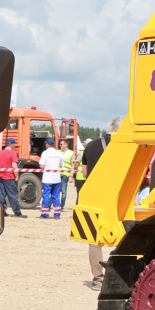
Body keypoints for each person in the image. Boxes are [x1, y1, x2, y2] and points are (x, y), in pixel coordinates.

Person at [77, 115, 122, 283]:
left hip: (94, 196)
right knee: (123, 236)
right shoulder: (125, 146)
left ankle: (98, 278)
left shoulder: (90, 146)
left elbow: (84, 173)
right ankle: (120, 276)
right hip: (118, 195)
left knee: (94, 239)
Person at [0, 137, 22, 217]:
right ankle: (17, 212)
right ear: (12, 145)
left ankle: (2, 211)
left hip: (1, 178)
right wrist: (17, 176)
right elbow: (14, 166)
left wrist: (0, 174)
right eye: (14, 144)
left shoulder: (0, 153)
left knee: (2, 195)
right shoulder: (13, 153)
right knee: (13, 195)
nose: (15, 146)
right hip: (10, 177)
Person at [39, 138, 63, 217]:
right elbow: (61, 164)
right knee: (56, 196)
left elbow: (42, 166)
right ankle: (57, 214)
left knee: (46, 195)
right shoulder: (58, 153)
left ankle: (45, 213)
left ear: (47, 144)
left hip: (47, 178)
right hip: (56, 178)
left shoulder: (45, 153)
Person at [57, 139, 74, 214]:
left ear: (66, 144)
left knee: (63, 191)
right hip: (58, 173)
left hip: (65, 174)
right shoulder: (58, 152)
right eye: (60, 144)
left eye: (62, 144)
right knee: (56, 190)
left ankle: (62, 206)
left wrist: (71, 176)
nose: (60, 145)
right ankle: (52, 204)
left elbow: (72, 165)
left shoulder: (71, 153)